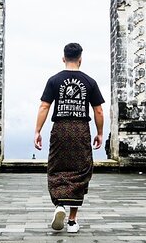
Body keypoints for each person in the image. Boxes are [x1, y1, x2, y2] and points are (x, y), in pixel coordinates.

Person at [34, 42, 105, 233]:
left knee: (57, 168)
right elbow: (98, 110)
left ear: (63, 58)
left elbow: (44, 107)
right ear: (80, 59)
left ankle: (59, 205)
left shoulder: (54, 80)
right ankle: (72, 221)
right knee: (80, 171)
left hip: (60, 128)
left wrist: (37, 131)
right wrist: (99, 133)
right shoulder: (89, 81)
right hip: (81, 128)